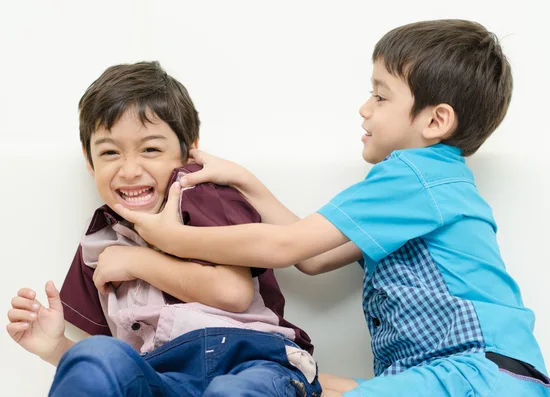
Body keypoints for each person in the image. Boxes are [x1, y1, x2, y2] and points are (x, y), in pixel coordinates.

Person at [113, 20, 550, 397]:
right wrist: (245, 181)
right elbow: (314, 256)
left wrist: (168, 238)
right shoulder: (429, 183)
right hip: (456, 375)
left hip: (477, 374)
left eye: (381, 97)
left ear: (435, 121)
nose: (364, 109)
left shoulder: (412, 175)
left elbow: (287, 245)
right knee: (296, 381)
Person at [6, 61, 322, 397]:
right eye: (110, 152)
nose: (129, 170)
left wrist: (136, 263)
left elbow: (233, 292)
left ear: (188, 151)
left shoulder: (200, 194)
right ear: (89, 160)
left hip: (253, 362)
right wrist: (55, 349)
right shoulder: (99, 240)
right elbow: (118, 366)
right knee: (93, 355)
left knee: (231, 393)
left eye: (150, 149)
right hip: (165, 380)